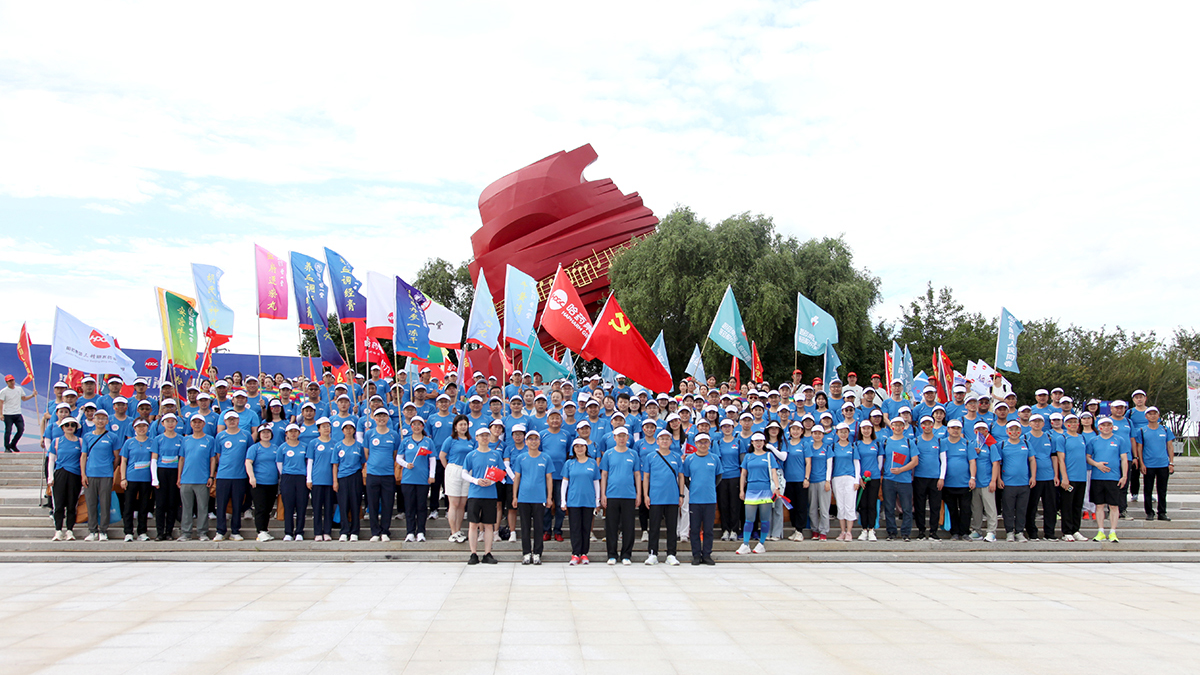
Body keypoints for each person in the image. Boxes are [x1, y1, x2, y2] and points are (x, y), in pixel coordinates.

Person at [600, 427, 641, 566]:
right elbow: (604, 475)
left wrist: (638, 494)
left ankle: (626, 554)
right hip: (612, 495)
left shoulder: (633, 454)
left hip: (629, 495)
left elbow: (637, 475)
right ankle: (612, 554)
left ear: (628, 438)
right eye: (619, 436)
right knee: (611, 526)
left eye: (624, 436)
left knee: (629, 526)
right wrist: (603, 494)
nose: (622, 438)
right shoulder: (608, 454)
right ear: (614, 438)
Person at [462, 426, 504, 564]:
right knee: (473, 524)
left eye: (487, 435)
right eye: (482, 435)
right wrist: (476, 480)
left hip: (490, 494)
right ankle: (473, 553)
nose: (485, 438)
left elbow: (501, 473)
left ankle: (487, 553)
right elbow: (464, 473)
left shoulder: (495, 455)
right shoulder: (471, 455)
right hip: (474, 493)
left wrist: (491, 482)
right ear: (477, 438)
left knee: (488, 525)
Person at [642, 429, 683, 566]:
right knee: (654, 527)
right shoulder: (650, 456)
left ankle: (671, 554)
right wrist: (646, 495)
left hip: (672, 496)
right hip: (655, 497)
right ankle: (652, 553)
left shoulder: (677, 457)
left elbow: (681, 476)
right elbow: (646, 477)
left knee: (672, 527)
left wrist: (681, 494)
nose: (664, 441)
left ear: (671, 441)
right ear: (657, 441)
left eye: (667, 439)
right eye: (662, 439)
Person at [512, 429, 553, 565]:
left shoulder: (545, 458)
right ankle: (526, 553)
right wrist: (515, 496)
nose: (533, 441)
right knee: (525, 526)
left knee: (539, 526)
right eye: (530, 439)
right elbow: (517, 478)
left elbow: (549, 478)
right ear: (526, 442)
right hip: (524, 497)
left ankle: (537, 553)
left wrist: (549, 497)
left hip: (539, 498)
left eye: (536, 439)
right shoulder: (521, 458)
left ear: (539, 442)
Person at [737, 432, 780, 554]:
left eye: (761, 440)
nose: (758, 443)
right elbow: (743, 474)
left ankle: (761, 544)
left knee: (765, 518)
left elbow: (773, 473)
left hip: (765, 490)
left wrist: (777, 487)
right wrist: (741, 490)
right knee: (749, 519)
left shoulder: (769, 456)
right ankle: (745, 544)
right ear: (752, 442)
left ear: (764, 442)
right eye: (756, 441)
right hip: (751, 490)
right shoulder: (748, 457)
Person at [1087, 417, 1128, 541]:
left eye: (1108, 425)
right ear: (1099, 427)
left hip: (1113, 477)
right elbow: (1088, 457)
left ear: (1112, 427)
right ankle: (1101, 531)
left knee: (1114, 506)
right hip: (1097, 477)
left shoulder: (1119, 440)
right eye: (1103, 425)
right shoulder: (1093, 441)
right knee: (1099, 505)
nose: (1105, 427)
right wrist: (1097, 464)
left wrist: (1124, 475)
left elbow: (1124, 459)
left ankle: (1113, 532)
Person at [80, 409, 119, 541]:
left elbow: (116, 457)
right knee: (90, 503)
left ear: (107, 421)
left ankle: (103, 530)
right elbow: (84, 456)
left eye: (103, 418)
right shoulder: (87, 436)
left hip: (106, 475)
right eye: (98, 418)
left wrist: (110, 470)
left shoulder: (112, 437)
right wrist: (83, 474)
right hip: (90, 474)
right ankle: (92, 530)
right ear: (93, 420)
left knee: (105, 503)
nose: (101, 421)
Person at [213, 411, 252, 541]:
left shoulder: (245, 435)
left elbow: (250, 454)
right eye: (229, 419)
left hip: (240, 476)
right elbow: (218, 455)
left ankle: (235, 531)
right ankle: (220, 531)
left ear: (238, 420)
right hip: (223, 476)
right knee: (222, 505)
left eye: (234, 419)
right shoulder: (220, 436)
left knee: (237, 505)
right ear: (225, 422)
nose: (232, 421)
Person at [683, 433, 721, 565]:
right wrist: (693, 488)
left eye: (705, 442)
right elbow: (686, 478)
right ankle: (696, 555)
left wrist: (710, 486)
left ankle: (707, 554)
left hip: (710, 499)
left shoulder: (715, 458)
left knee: (709, 529)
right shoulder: (690, 459)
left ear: (709, 443)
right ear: (695, 443)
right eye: (700, 442)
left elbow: (719, 476)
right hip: (695, 500)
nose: (703, 445)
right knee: (694, 529)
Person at [561, 438, 600, 565]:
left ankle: (584, 553)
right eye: (577, 446)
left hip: (588, 500)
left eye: (582, 446)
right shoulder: (569, 463)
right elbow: (565, 482)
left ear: (586, 448)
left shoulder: (592, 463)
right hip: (573, 500)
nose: (579, 449)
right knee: (575, 528)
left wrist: (597, 500)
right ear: (573, 449)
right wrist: (563, 500)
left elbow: (596, 483)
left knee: (586, 527)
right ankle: (575, 553)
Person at [363, 408, 400, 542]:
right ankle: (375, 531)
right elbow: (366, 453)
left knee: (387, 504)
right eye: (379, 416)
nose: (382, 418)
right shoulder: (369, 434)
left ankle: (385, 530)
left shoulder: (393, 435)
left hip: (388, 474)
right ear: (374, 417)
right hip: (373, 474)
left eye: (384, 415)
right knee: (372, 504)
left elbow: (395, 454)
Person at [178, 414, 216, 541]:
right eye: (194, 422)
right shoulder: (186, 440)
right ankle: (186, 533)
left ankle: (202, 532)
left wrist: (211, 476)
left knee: (203, 507)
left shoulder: (209, 440)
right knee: (187, 507)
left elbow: (212, 459)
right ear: (191, 424)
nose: (197, 424)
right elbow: (182, 459)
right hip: (186, 479)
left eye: (200, 422)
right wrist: (179, 477)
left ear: (204, 424)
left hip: (202, 479)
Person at [398, 417, 436, 542]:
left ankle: (420, 531)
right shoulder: (406, 441)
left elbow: (432, 459)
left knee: (421, 506)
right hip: (408, 479)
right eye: (414, 424)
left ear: (422, 426)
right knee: (409, 507)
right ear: (411, 427)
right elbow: (399, 458)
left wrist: (432, 475)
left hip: (422, 479)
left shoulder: (428, 441)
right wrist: (406, 464)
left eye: (419, 424)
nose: (416, 427)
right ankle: (410, 532)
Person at [997, 420, 1035, 542]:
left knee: (1022, 509)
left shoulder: (1026, 444)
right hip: (1008, 483)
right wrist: (998, 479)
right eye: (1011, 430)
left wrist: (1033, 476)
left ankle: (1019, 531)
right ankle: (1009, 532)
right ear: (1007, 431)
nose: (1014, 432)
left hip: (1024, 483)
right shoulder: (1002, 444)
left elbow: (1032, 461)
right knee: (1008, 509)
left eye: (1016, 429)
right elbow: (997, 463)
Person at [1135, 407, 1175, 521]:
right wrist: (1141, 463)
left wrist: (1171, 462)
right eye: (1150, 414)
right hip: (1149, 465)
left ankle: (1162, 512)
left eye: (1154, 414)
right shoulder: (1142, 431)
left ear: (1158, 415)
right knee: (1148, 489)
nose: (1152, 416)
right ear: (1146, 416)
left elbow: (1170, 446)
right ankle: (1149, 512)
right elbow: (1139, 448)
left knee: (1162, 490)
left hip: (1163, 464)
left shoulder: (1165, 429)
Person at [119, 419, 155, 541]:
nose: (141, 428)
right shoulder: (129, 443)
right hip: (131, 478)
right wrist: (123, 478)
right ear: (134, 428)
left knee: (144, 506)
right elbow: (123, 461)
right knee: (129, 505)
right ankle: (128, 532)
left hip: (146, 479)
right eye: (138, 426)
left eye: (144, 426)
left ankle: (142, 532)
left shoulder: (152, 442)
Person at [47, 417, 83, 540]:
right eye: (67, 425)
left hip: (75, 474)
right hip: (60, 473)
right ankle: (58, 530)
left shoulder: (80, 442)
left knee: (72, 503)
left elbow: (83, 460)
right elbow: (51, 459)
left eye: (73, 424)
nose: (70, 427)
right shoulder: (57, 441)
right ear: (62, 427)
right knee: (59, 503)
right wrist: (50, 477)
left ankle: (69, 530)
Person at [440, 415, 474, 544]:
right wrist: (448, 468)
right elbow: (442, 455)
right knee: (454, 503)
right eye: (460, 424)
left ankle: (458, 530)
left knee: (462, 504)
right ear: (455, 426)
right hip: (454, 470)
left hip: (466, 471)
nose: (463, 427)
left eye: (465, 424)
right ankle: (453, 531)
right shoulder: (450, 440)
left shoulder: (471, 441)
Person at [881, 418, 917, 541]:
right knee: (889, 508)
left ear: (903, 427)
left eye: (900, 425)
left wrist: (901, 469)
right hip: (888, 479)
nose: (897, 427)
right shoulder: (886, 442)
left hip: (905, 480)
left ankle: (906, 533)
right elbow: (882, 459)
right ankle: (891, 532)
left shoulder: (909, 442)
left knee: (907, 508)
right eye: (895, 425)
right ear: (891, 427)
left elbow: (915, 461)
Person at [151, 412, 185, 540]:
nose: (170, 424)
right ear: (162, 423)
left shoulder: (181, 439)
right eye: (167, 421)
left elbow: (182, 459)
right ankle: (160, 532)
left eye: (173, 421)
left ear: (176, 423)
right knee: (160, 504)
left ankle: (169, 532)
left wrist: (179, 477)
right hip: (161, 472)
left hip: (175, 472)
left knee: (172, 503)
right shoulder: (158, 439)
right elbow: (154, 459)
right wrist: (155, 478)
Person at [1024, 414, 1058, 540]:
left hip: (1048, 477)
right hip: (1033, 478)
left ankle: (1049, 533)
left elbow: (1054, 457)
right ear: (1030, 424)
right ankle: (1032, 533)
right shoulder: (1025, 438)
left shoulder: (1050, 437)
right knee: (1031, 506)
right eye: (1034, 421)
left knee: (1050, 507)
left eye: (1039, 421)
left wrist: (1056, 475)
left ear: (1043, 424)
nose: (1037, 424)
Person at [912, 416, 945, 540]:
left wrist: (941, 477)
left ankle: (933, 531)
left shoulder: (939, 441)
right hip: (920, 477)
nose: (927, 426)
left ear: (933, 425)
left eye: (929, 424)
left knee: (935, 506)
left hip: (935, 478)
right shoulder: (916, 441)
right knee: (919, 506)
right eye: (924, 424)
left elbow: (943, 460)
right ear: (921, 426)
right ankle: (921, 531)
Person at [1056, 414, 1089, 541]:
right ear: (1065, 424)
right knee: (1067, 505)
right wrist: (1064, 477)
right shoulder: (1062, 438)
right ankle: (1067, 531)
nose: (1073, 424)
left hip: (1081, 477)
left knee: (1077, 505)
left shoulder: (1082, 437)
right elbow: (1061, 459)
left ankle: (1076, 530)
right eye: (1070, 422)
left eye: (1075, 422)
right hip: (1070, 478)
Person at [332, 419, 365, 542]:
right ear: (342, 430)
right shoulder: (338, 446)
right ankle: (344, 530)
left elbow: (362, 463)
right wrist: (335, 481)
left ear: (354, 430)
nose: (349, 430)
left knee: (355, 504)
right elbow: (335, 464)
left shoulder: (359, 445)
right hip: (342, 477)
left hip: (355, 476)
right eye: (346, 428)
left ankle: (355, 531)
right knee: (343, 504)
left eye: (351, 428)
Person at [245, 425, 280, 541]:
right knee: (261, 507)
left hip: (272, 482)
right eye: (263, 432)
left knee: (269, 508)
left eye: (268, 432)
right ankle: (260, 531)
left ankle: (265, 529)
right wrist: (252, 477)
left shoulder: (275, 448)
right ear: (259, 435)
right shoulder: (255, 448)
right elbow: (248, 462)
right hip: (259, 482)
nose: (266, 434)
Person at [276, 423, 310, 541]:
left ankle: (299, 531)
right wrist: (286, 474)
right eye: (291, 431)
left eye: (295, 431)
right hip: (287, 477)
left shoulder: (304, 446)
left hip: (301, 477)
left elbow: (307, 462)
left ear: (299, 433)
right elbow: (279, 464)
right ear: (286, 434)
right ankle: (288, 532)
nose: (293, 433)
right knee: (288, 505)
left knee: (301, 505)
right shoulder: (283, 447)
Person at [829, 423, 861, 542]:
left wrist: (857, 480)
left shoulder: (852, 447)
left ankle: (849, 532)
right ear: (837, 433)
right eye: (841, 432)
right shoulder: (833, 447)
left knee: (850, 505)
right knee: (840, 506)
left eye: (845, 432)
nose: (843, 434)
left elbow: (857, 464)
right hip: (837, 478)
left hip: (850, 478)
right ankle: (842, 531)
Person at [307, 418, 337, 541]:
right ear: (318, 429)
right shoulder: (313, 443)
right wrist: (309, 478)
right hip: (317, 479)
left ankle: (327, 531)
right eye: (323, 426)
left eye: (328, 426)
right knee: (317, 507)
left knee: (329, 507)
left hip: (330, 480)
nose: (326, 429)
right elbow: (310, 461)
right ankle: (318, 532)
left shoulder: (335, 443)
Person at [714, 418, 743, 541]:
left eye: (729, 426)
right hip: (722, 478)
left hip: (735, 477)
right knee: (723, 505)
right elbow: (717, 461)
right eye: (724, 426)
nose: (727, 429)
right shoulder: (718, 443)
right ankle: (725, 530)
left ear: (733, 428)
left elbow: (742, 462)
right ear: (721, 428)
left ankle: (734, 530)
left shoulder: (739, 442)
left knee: (734, 505)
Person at [855, 420, 882, 541]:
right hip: (862, 479)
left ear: (872, 430)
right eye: (864, 428)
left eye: (868, 428)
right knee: (863, 504)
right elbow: (856, 462)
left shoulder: (877, 444)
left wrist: (877, 473)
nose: (866, 431)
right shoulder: (857, 444)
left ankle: (871, 529)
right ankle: (864, 529)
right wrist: (859, 477)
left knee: (872, 504)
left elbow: (880, 461)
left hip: (874, 478)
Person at [805, 428, 831, 541]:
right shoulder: (809, 447)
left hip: (823, 480)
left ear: (823, 435)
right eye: (815, 433)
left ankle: (823, 531)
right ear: (811, 434)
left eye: (819, 433)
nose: (817, 435)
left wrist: (827, 480)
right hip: (812, 481)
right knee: (812, 508)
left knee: (824, 508)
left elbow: (830, 465)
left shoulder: (827, 447)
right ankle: (815, 530)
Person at [2, 374, 36, 452]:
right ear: (7, 382)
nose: (12, 382)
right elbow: (1, 403)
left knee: (21, 429)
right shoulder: (4, 391)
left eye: (12, 380)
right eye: (10, 381)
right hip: (8, 414)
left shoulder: (19, 389)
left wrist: (32, 395)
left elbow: (23, 398)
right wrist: (1, 414)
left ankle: (13, 444)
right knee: (8, 430)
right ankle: (7, 447)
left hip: (17, 413)